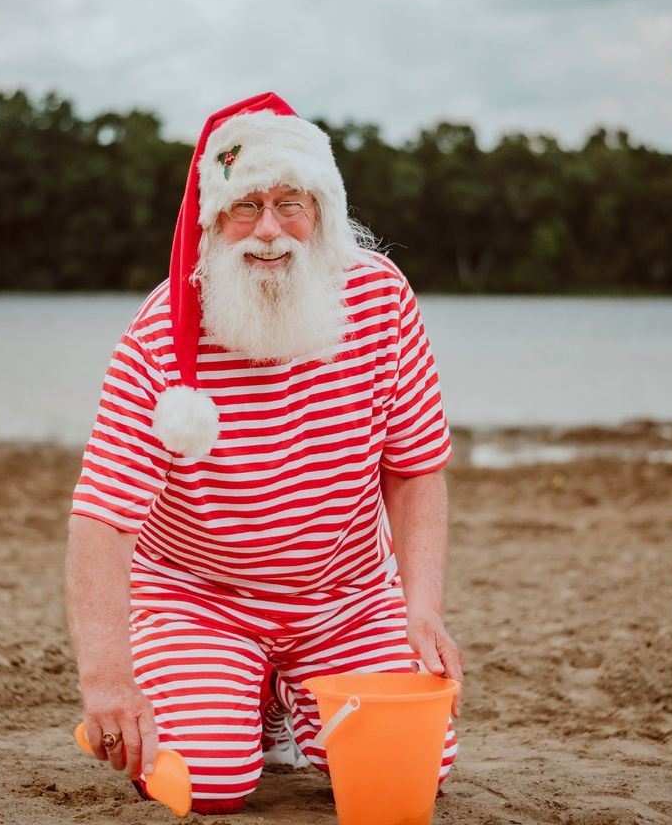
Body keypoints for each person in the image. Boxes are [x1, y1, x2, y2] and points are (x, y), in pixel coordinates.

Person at [64, 91, 462, 815]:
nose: (270, 231)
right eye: (245, 206)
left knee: (411, 774)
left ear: (326, 213)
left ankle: (279, 697)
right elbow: (105, 519)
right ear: (213, 222)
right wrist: (107, 679)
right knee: (210, 786)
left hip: (348, 599)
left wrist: (420, 607)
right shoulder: (158, 336)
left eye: (291, 204)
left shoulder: (382, 301)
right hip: (198, 600)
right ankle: (238, 699)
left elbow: (413, 469)